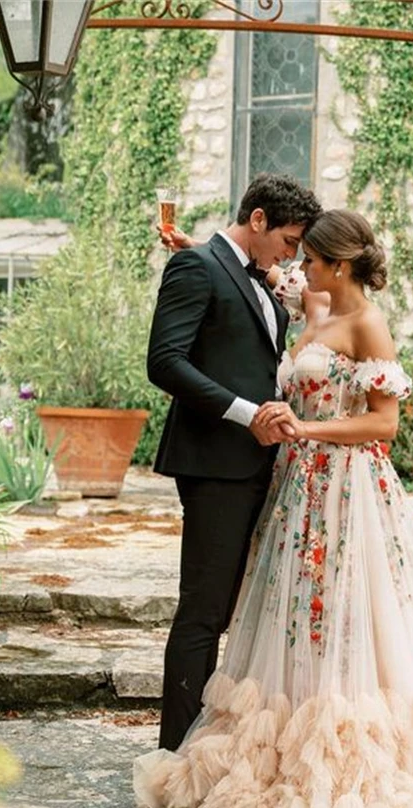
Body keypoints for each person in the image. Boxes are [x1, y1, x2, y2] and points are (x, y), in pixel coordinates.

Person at [135, 209, 413, 808]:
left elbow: (383, 426)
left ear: (337, 263)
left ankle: (367, 751)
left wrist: (307, 429)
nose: (298, 267)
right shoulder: (315, 304)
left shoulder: (366, 324)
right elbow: (254, 271)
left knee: (354, 613)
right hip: (298, 490)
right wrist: (198, 248)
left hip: (349, 489)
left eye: (310, 259)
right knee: (300, 612)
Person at [147, 173, 323, 753]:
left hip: (256, 465)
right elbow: (164, 362)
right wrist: (246, 413)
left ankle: (203, 734)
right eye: (289, 241)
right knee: (203, 609)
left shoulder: (253, 274)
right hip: (215, 462)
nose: (291, 256)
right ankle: (177, 749)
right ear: (257, 221)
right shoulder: (196, 267)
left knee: (225, 609)